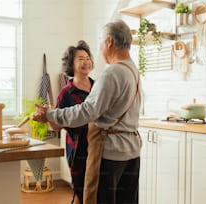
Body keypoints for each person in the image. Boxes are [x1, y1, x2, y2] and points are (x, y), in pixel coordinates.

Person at [33, 20, 141, 204]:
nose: (99, 49)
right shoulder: (133, 70)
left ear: (108, 42)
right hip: (131, 152)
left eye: (100, 42)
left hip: (110, 154)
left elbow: (87, 111)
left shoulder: (112, 72)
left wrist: (50, 114)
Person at [56, 40, 95, 204]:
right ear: (71, 64)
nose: (86, 62)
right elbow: (56, 124)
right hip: (77, 148)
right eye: (80, 58)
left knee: (95, 190)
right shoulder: (66, 92)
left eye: (87, 58)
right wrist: (46, 115)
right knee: (80, 189)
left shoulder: (98, 87)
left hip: (98, 146)